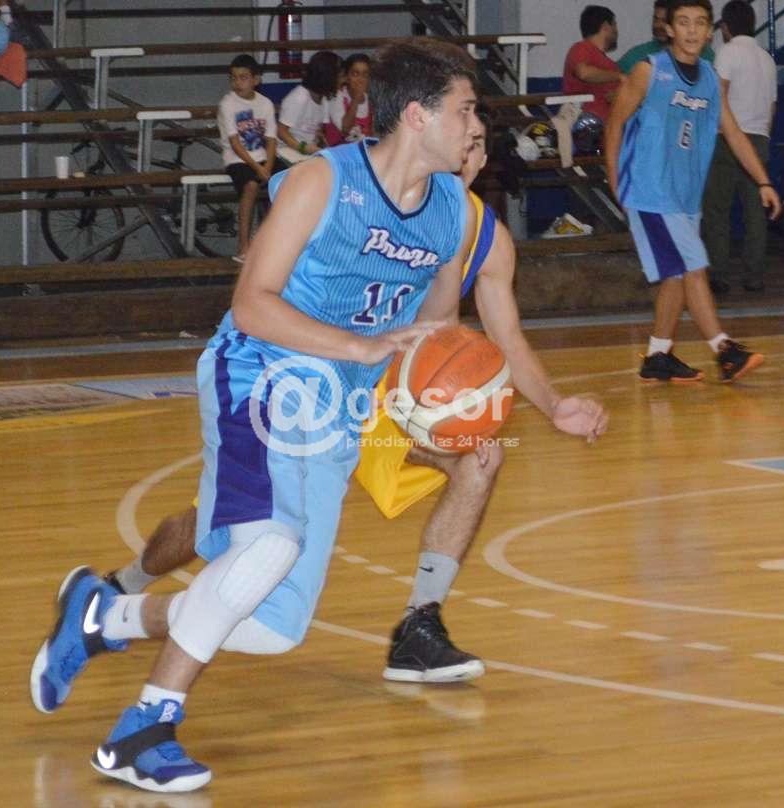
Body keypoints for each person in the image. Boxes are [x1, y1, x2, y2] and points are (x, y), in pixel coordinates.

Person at [30, 39, 484, 794]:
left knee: (272, 627)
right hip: (261, 373)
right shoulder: (322, 181)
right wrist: (361, 346)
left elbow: (436, 333)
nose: (476, 125)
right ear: (417, 115)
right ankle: (144, 729)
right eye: (465, 110)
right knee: (269, 546)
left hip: (337, 406)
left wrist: (445, 402)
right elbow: (251, 303)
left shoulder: (452, 215)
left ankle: (102, 619)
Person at [98, 114, 610, 686]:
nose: (467, 150)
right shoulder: (370, 197)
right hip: (315, 382)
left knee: (480, 459)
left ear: (482, 160)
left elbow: (505, 338)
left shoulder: (485, 240)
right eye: (462, 136)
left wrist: (554, 404)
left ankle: (419, 625)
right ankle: (123, 586)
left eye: (476, 144)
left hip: (394, 399)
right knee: (215, 522)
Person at [604, 0, 781, 383]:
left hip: (685, 195)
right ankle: (724, 350)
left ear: (710, 31)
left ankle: (658, 356)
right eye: (683, 22)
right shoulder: (649, 71)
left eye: (700, 23)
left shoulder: (710, 79)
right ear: (669, 29)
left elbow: (733, 133)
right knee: (693, 266)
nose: (691, 30)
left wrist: (763, 181)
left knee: (675, 276)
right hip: (650, 191)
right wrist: (615, 179)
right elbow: (615, 122)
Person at [701, 0, 777, 294]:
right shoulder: (766, 58)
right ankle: (754, 275)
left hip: (727, 138)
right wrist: (764, 137)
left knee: (716, 210)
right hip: (759, 138)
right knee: (756, 213)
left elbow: (718, 96)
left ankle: (718, 274)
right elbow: (772, 106)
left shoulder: (728, 52)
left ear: (725, 27)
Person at [217, 54, 286, 264]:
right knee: (251, 186)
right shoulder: (228, 104)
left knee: (286, 182)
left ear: (256, 80)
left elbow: (271, 139)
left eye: (243, 77)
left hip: (262, 156)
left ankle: (267, 237)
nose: (238, 83)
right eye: (234, 78)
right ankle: (243, 245)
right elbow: (235, 144)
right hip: (238, 159)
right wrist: (259, 168)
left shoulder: (265, 103)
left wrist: (269, 166)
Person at [616, 0, 715, 74]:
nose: (658, 25)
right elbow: (615, 76)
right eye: (656, 19)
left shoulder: (706, 58)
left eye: (663, 20)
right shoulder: (640, 54)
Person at [277, 50, 340, 162]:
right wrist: (303, 148)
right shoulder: (299, 97)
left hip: (307, 153)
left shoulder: (324, 98)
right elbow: (281, 131)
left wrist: (324, 145)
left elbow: (317, 130)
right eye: (339, 76)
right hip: (287, 152)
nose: (342, 80)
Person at [562, 5, 622, 122]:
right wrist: (619, 76)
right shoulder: (581, 48)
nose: (617, 31)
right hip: (587, 124)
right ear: (605, 26)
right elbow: (583, 73)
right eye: (614, 25)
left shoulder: (610, 64)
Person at [324, 52, 373, 146]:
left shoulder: (372, 99)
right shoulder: (336, 96)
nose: (360, 79)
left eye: (365, 75)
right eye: (355, 74)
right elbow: (346, 129)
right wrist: (355, 99)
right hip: (338, 152)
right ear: (347, 77)